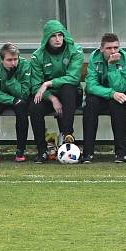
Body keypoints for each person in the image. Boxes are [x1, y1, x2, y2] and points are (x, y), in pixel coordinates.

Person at [29, 19, 84, 163]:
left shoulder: (75, 50)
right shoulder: (37, 56)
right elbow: (36, 86)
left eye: (61, 35)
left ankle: (67, 135)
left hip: (72, 94)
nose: (58, 39)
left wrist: (49, 83)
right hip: (50, 97)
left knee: (67, 89)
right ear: (47, 37)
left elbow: (73, 78)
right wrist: (52, 98)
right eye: (53, 36)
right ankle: (42, 151)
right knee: (34, 107)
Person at [81, 33, 126, 163]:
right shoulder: (94, 57)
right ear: (101, 49)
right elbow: (91, 86)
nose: (113, 51)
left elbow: (121, 87)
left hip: (121, 92)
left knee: (118, 105)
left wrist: (111, 66)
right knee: (90, 103)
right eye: (109, 48)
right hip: (102, 94)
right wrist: (111, 93)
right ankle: (88, 154)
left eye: (116, 47)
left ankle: (121, 153)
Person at [0, 43, 32, 163]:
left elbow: (24, 93)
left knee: (22, 108)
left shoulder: (25, 65)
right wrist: (12, 100)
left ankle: (20, 150)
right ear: (1, 60)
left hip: (18, 97)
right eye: (9, 60)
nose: (13, 63)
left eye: (15, 59)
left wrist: (10, 80)